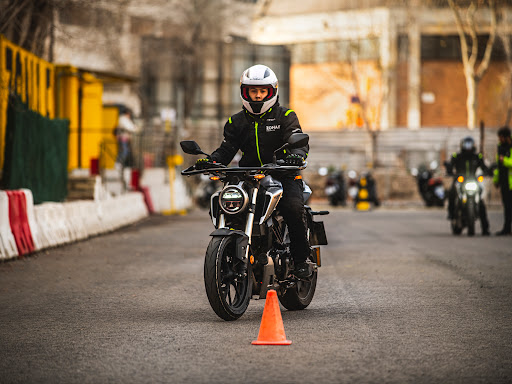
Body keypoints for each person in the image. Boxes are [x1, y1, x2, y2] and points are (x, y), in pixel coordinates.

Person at [195, 64, 311, 278]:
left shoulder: (286, 115)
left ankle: (301, 259)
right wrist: (210, 161)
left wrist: (297, 155)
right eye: (253, 91)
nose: (257, 96)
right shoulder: (235, 122)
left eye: (262, 91)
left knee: (293, 208)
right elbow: (227, 149)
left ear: (272, 91)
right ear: (244, 92)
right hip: (248, 177)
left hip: (283, 174)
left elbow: (298, 141)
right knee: (228, 205)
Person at [445, 136, 491, 236]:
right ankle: (452, 214)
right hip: (460, 180)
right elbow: (450, 166)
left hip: (473, 180)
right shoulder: (457, 156)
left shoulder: (477, 156)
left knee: (481, 203)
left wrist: (488, 171)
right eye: (466, 144)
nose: (468, 147)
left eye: (470, 144)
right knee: (452, 193)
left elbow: (484, 167)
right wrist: (449, 170)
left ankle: (485, 228)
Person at [493, 126, 512, 236]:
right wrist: (496, 180)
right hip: (504, 182)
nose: (499, 139)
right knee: (507, 207)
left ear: (505, 137)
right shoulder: (501, 148)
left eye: (500, 137)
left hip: (511, 183)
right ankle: (507, 228)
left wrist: (504, 160)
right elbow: (498, 168)